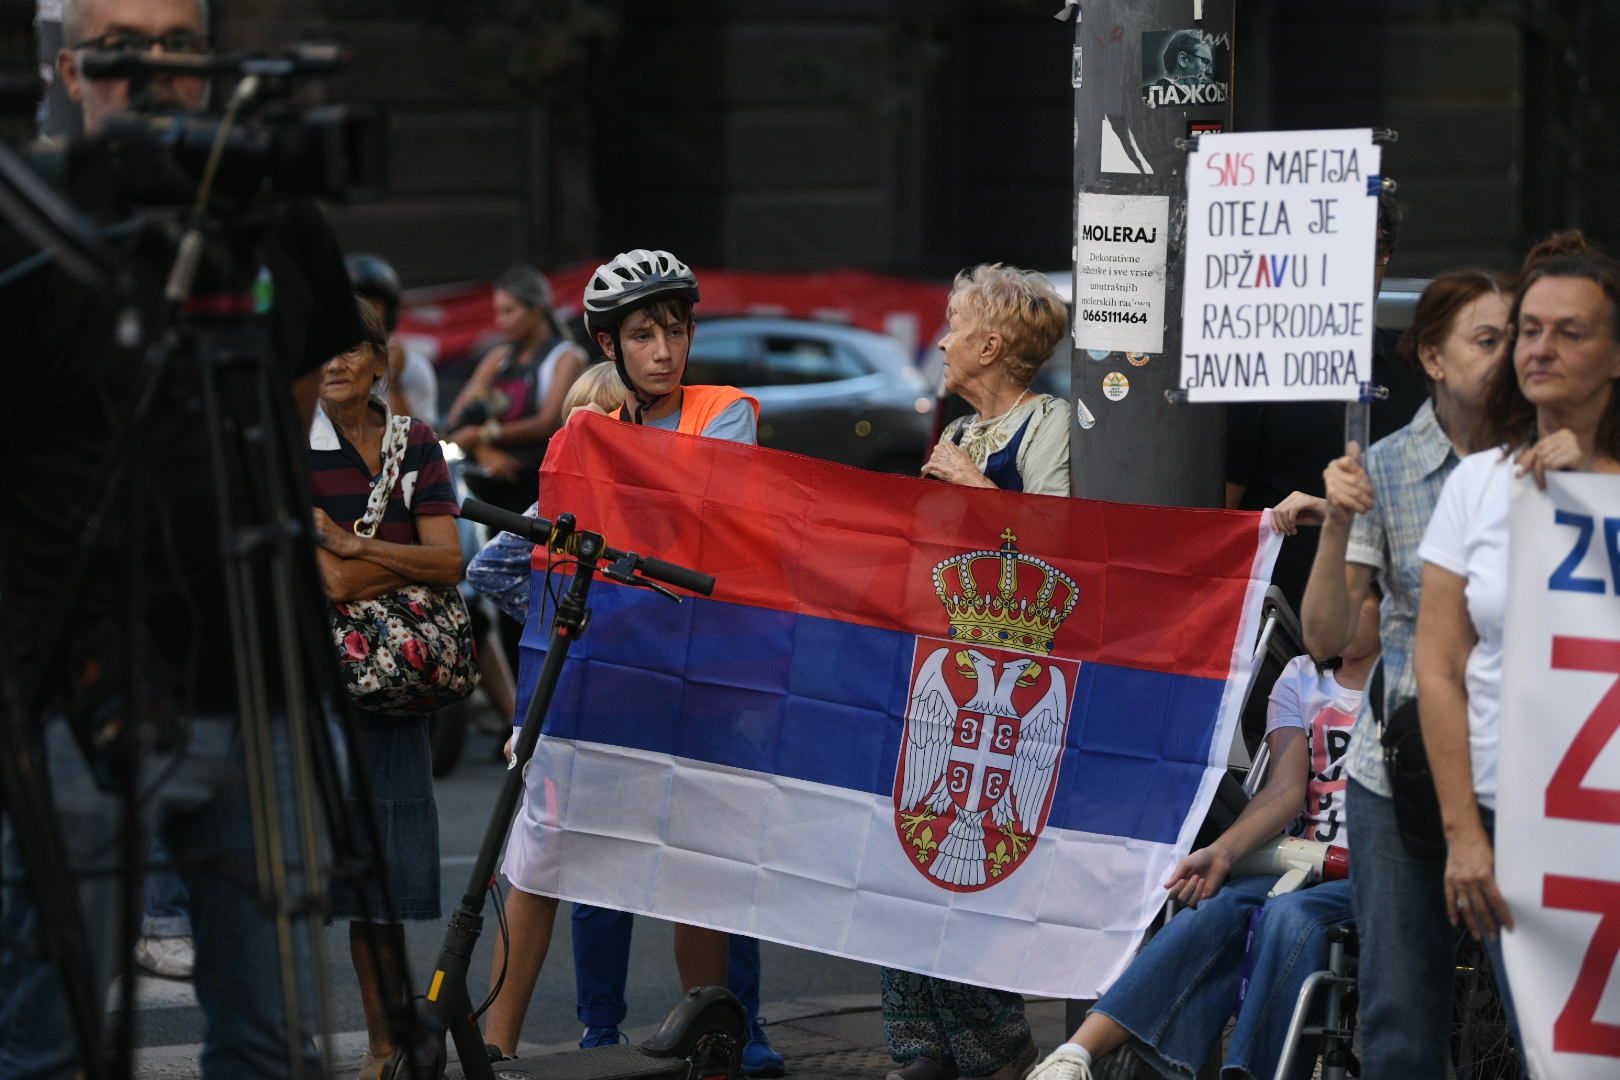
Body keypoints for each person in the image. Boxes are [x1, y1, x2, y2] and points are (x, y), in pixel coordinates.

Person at [0, 0, 368, 1074]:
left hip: (260, 683)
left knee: (276, 1039)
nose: (159, 72)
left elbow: (293, 396)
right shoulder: (28, 227)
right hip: (77, 692)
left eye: (181, 45)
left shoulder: (279, 216)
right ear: (70, 70)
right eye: (125, 49)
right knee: (48, 1037)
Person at [482, 249, 767, 1065]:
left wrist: (602, 452)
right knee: (538, 857)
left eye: (675, 330)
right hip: (599, 686)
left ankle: (711, 1044)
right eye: (642, 335)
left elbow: (705, 511)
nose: (664, 350)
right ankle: (494, 1050)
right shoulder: (588, 440)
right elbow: (502, 562)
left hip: (691, 687)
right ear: (609, 347)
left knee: (696, 868)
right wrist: (569, 633)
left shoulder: (721, 411)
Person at [1297, 267, 1513, 1076]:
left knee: (1548, 1014)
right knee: (1399, 1014)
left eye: (1514, 339)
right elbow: (1325, 635)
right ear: (1431, 357)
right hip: (1401, 775)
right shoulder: (1383, 470)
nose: (1508, 357)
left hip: (1525, 769)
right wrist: (1335, 527)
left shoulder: (1552, 463)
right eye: (1486, 340)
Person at [1027, 594, 1379, 1080]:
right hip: (1301, 858)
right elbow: (1284, 790)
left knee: (1289, 914)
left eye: (1355, 595)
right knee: (1210, 906)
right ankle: (1073, 1056)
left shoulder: (1417, 684)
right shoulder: (1300, 676)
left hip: (1378, 870)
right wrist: (1222, 852)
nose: (1333, 610)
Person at [1415, 251, 1620, 1063]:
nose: (1539, 349)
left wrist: (1594, 501)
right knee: (1555, 1051)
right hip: (1513, 822)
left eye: (1570, 333)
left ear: (1615, 355)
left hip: (1607, 815)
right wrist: (1464, 834)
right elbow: (1438, 667)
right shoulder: (1477, 484)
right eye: (1529, 331)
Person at [882, 263, 1069, 1080]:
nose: (942, 339)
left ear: (992, 344)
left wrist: (978, 489)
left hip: (1013, 692)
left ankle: (993, 1047)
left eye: (954, 323)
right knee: (906, 842)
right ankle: (918, 1039)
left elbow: (1063, 550)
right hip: (943, 673)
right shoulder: (955, 434)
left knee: (978, 852)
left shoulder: (1050, 424)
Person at [307, 297, 462, 1078]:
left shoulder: (419, 443)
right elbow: (330, 579)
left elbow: (452, 561)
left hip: (399, 685)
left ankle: (386, 1052)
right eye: (320, 351)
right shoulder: (291, 450)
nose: (334, 363)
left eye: (349, 349)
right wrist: (382, 553)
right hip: (321, 686)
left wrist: (351, 542)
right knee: (313, 876)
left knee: (389, 881)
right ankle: (360, 1047)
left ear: (380, 359)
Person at [1226, 191, 1430, 613]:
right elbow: (1224, 525)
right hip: (1278, 641)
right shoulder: (1251, 374)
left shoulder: (1418, 371)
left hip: (1397, 630)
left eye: (1371, 251)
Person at [921, 263, 1071, 497]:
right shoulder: (956, 431)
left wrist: (969, 478)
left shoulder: (1047, 420)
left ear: (989, 347)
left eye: (953, 331)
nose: (943, 344)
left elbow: (1045, 527)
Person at [445, 265, 588, 511]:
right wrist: (482, 452)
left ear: (537, 309)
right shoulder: (498, 357)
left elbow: (548, 423)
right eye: (498, 313)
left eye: (509, 311)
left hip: (542, 484)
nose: (501, 322)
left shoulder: (566, 358)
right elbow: (456, 419)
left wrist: (481, 435)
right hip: (492, 484)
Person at [347, 252, 439, 423]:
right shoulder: (324, 362)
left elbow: (419, 445)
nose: (363, 314)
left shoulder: (412, 367)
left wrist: (394, 384)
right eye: (354, 305)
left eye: (372, 305)